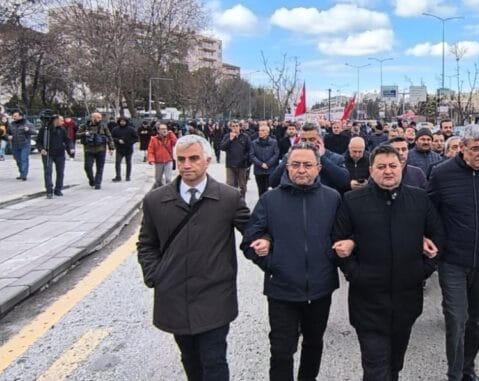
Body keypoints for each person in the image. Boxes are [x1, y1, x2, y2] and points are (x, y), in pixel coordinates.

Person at [136, 134, 250, 381]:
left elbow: (252, 233)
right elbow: (146, 244)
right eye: (182, 159)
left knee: (214, 360)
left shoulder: (228, 198)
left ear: (207, 161)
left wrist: (269, 250)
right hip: (174, 295)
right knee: (190, 358)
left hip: (214, 295)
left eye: (194, 158)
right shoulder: (155, 200)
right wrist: (155, 275)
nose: (187, 165)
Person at [333, 145, 445, 381]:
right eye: (381, 167)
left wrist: (422, 271)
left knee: (394, 364)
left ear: (401, 167)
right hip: (368, 301)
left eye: (393, 166)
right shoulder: (353, 200)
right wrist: (356, 273)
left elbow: (438, 237)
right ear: (371, 170)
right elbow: (338, 241)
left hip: (406, 300)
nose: (388, 171)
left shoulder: (419, 199)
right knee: (375, 367)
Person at [241, 142, 344, 381]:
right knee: (281, 350)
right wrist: (272, 261)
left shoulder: (332, 198)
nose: (301, 170)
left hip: (320, 288)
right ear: (287, 167)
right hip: (282, 290)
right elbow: (249, 240)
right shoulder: (270, 199)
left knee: (313, 343)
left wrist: (334, 256)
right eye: (295, 165)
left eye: (307, 165)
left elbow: (343, 235)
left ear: (318, 168)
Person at [427, 125, 479, 381]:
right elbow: (430, 212)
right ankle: (454, 375)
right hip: (452, 260)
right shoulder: (441, 174)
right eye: (475, 149)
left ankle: (468, 368)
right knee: (456, 319)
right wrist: (429, 240)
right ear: (461, 148)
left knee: (474, 321)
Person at [269, 123, 350, 194]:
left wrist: (321, 158)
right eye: (304, 140)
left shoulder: (335, 158)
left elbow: (344, 182)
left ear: (320, 139)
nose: (307, 143)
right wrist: (289, 157)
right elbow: (273, 182)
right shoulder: (290, 157)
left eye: (312, 139)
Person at [35, 114, 69, 198]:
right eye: (61, 120)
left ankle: (58, 189)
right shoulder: (45, 130)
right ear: (56, 120)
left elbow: (67, 140)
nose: (63, 122)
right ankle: (49, 190)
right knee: (48, 171)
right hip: (48, 153)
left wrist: (70, 148)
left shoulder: (62, 130)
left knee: (60, 172)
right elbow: (38, 141)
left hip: (60, 153)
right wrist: (41, 149)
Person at [77, 112, 114, 190]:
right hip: (88, 149)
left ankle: (98, 183)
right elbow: (77, 135)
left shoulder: (103, 126)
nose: (98, 119)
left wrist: (111, 148)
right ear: (92, 118)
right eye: (96, 117)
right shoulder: (84, 126)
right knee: (87, 167)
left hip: (101, 149)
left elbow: (109, 136)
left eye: (99, 118)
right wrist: (85, 133)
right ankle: (91, 179)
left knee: (100, 167)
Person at [220, 121, 252, 199]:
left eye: (236, 126)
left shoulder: (245, 137)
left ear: (240, 127)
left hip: (242, 165)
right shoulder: (227, 136)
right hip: (230, 165)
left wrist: (246, 160)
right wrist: (230, 140)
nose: (235, 128)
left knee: (242, 186)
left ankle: (242, 202)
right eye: (233, 126)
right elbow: (222, 147)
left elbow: (250, 150)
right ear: (230, 127)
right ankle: (232, 203)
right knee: (230, 185)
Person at [250, 124, 279, 197]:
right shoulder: (254, 143)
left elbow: (276, 154)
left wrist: (268, 164)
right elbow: (252, 155)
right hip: (259, 170)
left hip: (270, 170)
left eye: (263, 130)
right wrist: (261, 164)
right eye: (259, 130)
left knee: (271, 190)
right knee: (261, 190)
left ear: (267, 132)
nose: (260, 132)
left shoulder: (274, 142)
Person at [147, 123, 178, 189]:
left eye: (165, 129)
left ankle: (168, 192)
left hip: (168, 160)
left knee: (168, 179)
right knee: (158, 180)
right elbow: (150, 150)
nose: (164, 130)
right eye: (162, 129)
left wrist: (171, 133)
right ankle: (158, 191)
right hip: (159, 161)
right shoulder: (154, 139)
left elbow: (175, 142)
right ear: (158, 131)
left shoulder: (170, 138)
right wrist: (151, 159)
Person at [6, 110, 35, 181]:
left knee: (24, 159)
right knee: (18, 160)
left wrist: (28, 130)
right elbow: (7, 133)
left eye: (15, 116)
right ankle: (21, 173)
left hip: (25, 145)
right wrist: (8, 136)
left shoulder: (27, 124)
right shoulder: (11, 124)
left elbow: (34, 132)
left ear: (20, 116)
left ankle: (24, 175)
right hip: (15, 145)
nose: (14, 117)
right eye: (13, 116)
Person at [111, 117, 139, 182]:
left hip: (128, 149)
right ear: (119, 122)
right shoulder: (115, 129)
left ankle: (128, 176)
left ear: (126, 122)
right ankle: (118, 176)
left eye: (124, 121)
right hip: (119, 149)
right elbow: (111, 137)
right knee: (118, 162)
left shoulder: (131, 129)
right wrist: (118, 140)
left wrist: (129, 142)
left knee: (128, 163)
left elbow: (136, 138)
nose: (122, 122)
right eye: (121, 121)